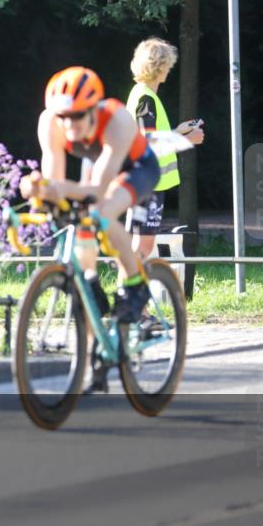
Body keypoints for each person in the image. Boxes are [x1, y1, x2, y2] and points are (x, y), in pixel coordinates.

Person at [21, 66, 161, 392]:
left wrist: (56, 189)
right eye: (64, 117)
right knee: (83, 272)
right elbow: (54, 178)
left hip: (136, 168)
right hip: (96, 162)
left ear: (93, 109)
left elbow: (97, 191)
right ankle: (93, 347)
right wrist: (40, 192)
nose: (70, 125)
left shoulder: (118, 119)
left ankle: (136, 284)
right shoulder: (49, 122)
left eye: (78, 116)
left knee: (100, 212)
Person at [126, 38, 205, 258]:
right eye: (167, 65)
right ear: (159, 67)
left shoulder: (142, 94)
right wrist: (188, 140)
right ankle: (130, 280)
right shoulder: (146, 99)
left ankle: (132, 279)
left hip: (144, 181)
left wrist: (178, 131)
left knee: (141, 244)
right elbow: (149, 144)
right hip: (147, 184)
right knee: (142, 246)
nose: (169, 69)